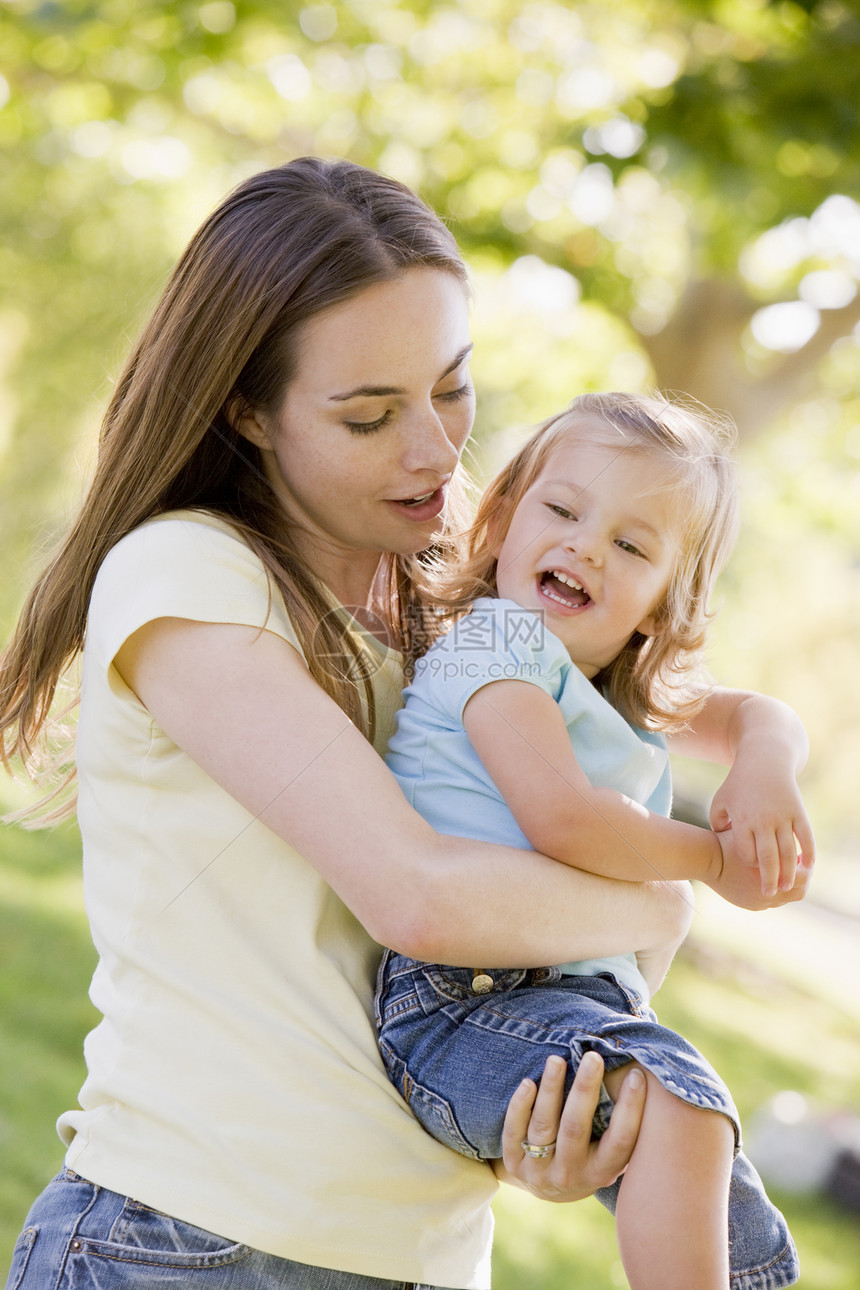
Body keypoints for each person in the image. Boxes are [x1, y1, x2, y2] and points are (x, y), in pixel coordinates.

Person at [0, 159, 810, 1290]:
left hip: (415, 1258)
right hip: (189, 1245)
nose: (435, 451)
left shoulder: (465, 608)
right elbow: (422, 896)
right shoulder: (187, 574)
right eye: (371, 415)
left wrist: (529, 1125)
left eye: (453, 388)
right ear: (245, 407)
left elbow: (658, 746)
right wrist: (670, 890)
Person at [376, 392, 815, 1290]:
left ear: (662, 604)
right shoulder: (494, 649)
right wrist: (713, 861)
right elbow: (565, 820)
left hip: (558, 1001)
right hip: (460, 1005)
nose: (584, 546)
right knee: (682, 1108)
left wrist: (764, 767)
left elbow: (755, 715)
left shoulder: (605, 682)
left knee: (726, 1196)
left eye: (631, 545)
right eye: (564, 511)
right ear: (500, 521)